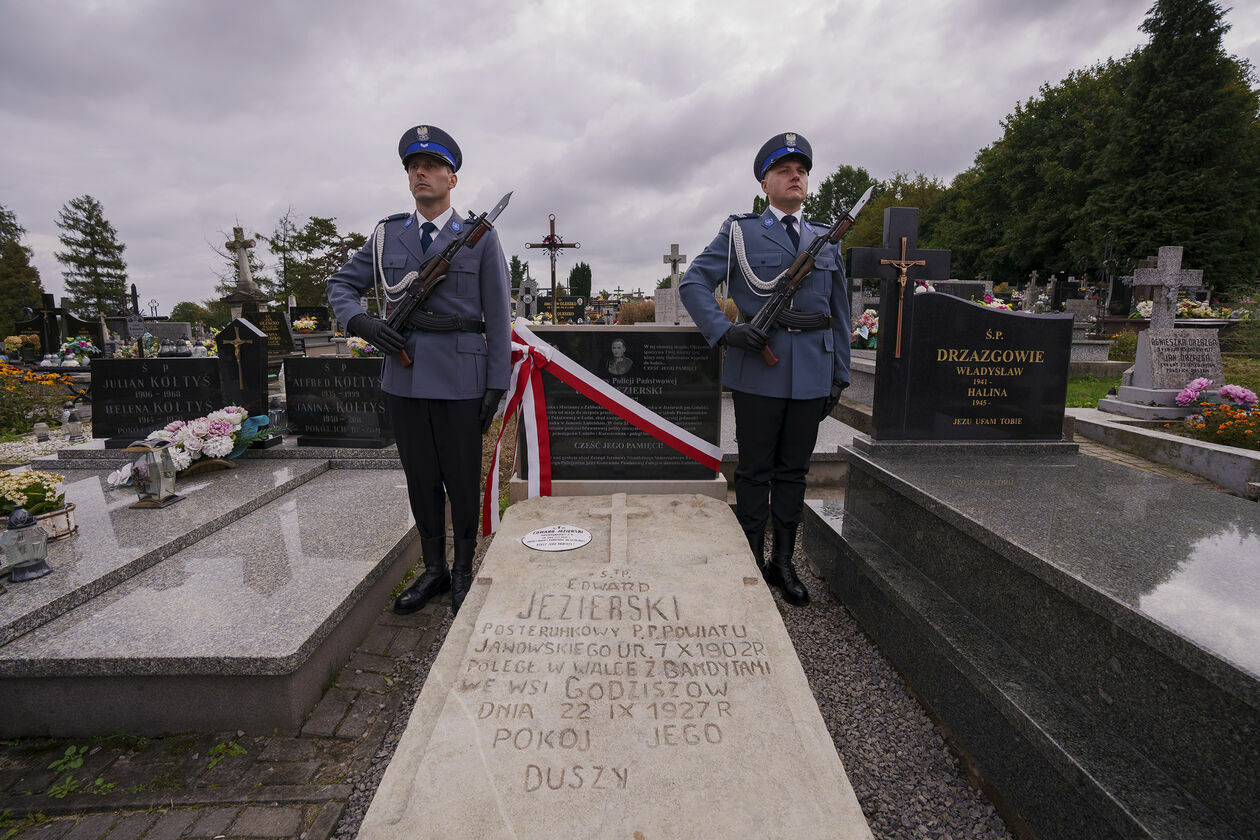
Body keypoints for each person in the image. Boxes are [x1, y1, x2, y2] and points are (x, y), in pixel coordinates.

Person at [327, 124, 509, 617]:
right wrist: (362, 320)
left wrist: (497, 382)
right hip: (404, 379)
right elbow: (341, 286)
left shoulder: (478, 238)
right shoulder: (388, 235)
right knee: (420, 478)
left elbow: (498, 314)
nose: (420, 173)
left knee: (461, 477)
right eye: (413, 166)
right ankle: (434, 569)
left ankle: (465, 566)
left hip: (461, 378)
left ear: (452, 178)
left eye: (431, 166)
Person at [678, 131, 849, 607]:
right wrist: (726, 331)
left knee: (795, 472)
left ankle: (784, 562)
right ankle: (751, 560)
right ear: (764, 182)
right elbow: (695, 282)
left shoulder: (824, 239)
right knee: (754, 472)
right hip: (759, 369)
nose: (796, 176)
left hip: (812, 373)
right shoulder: (742, 231)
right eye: (784, 170)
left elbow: (839, 310)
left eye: (802, 171)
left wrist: (840, 374)